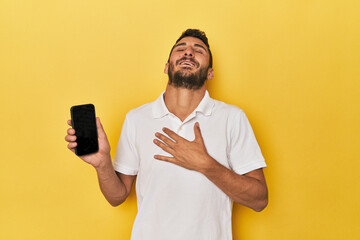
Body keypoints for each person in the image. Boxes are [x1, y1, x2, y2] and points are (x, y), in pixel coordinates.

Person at [65, 29, 268, 240]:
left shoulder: (232, 118)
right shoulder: (137, 118)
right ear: (166, 67)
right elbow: (117, 197)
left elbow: (259, 200)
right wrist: (102, 164)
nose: (188, 52)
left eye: (198, 50)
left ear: (210, 72)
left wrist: (205, 164)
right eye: (180, 49)